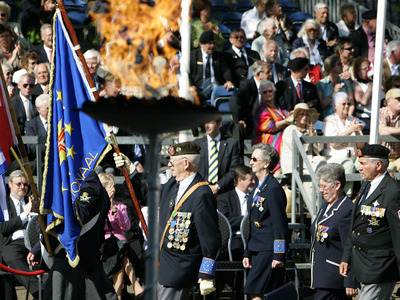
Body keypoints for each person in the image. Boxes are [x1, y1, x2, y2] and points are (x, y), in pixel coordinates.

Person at [34, 171, 118, 300]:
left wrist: (44, 208)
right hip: (72, 255)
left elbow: (82, 215)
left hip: (73, 254)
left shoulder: (89, 181)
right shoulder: (69, 177)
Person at [157, 142, 221, 299]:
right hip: (164, 265)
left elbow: (210, 238)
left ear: (185, 163)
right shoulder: (173, 185)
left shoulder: (202, 194)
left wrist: (207, 273)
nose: (169, 165)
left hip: (180, 269)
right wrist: (130, 170)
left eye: (173, 161)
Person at [340, 144, 400, 300]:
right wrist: (346, 258)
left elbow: (398, 234)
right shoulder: (367, 186)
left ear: (378, 165)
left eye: (363, 163)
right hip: (362, 265)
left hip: (379, 267)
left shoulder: (392, 192)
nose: (359, 168)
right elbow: (355, 226)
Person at [243, 143, 288, 299]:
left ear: (266, 163)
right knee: (254, 291)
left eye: (255, 159)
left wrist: (278, 254)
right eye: (251, 158)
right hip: (256, 247)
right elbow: (252, 222)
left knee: (256, 291)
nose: (251, 162)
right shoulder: (258, 187)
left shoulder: (273, 188)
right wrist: (247, 251)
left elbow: (280, 224)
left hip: (268, 249)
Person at [311, 163, 357, 299]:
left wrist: (350, 280)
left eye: (324, 186)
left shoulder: (346, 210)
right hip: (322, 277)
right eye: (320, 186)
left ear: (336, 185)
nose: (321, 190)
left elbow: (350, 247)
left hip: (334, 278)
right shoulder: (326, 205)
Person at [98, 173, 144, 300]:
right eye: (110, 187)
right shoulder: (97, 207)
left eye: (114, 186)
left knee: (121, 253)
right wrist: (105, 206)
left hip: (120, 244)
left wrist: (114, 210)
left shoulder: (120, 206)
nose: (114, 189)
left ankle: (117, 295)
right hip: (105, 244)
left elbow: (126, 226)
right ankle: (134, 286)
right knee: (121, 255)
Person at [0, 170, 40, 299]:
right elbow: (3, 228)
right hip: (12, 243)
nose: (22, 187)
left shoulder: (32, 201)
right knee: (9, 254)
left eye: (25, 185)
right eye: (19, 184)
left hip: (33, 242)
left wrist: (35, 211)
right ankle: (40, 291)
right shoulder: (3, 205)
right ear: (10, 184)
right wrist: (24, 214)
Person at [322, 91, 365, 196]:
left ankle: (365, 196)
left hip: (354, 157)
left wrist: (356, 131)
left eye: (348, 104)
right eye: (344, 104)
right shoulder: (329, 120)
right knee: (348, 165)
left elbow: (361, 145)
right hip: (335, 158)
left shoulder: (353, 120)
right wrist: (350, 130)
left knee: (367, 164)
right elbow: (333, 143)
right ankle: (347, 197)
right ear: (335, 106)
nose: (347, 106)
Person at [229, 60, 271, 157]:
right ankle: (237, 163)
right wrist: (238, 119)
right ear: (259, 74)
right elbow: (234, 99)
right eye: (267, 72)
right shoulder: (247, 85)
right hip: (249, 122)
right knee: (238, 127)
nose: (270, 74)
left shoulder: (270, 86)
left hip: (265, 122)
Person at [194, 119, 241, 195]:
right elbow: (193, 169)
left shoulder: (231, 144)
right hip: (201, 192)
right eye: (206, 122)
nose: (207, 126)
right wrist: (204, 187)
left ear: (219, 124)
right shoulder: (197, 144)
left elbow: (234, 169)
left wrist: (217, 186)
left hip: (224, 192)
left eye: (211, 123)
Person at [217, 165, 254, 260]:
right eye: (250, 180)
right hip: (236, 237)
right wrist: (247, 220)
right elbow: (225, 222)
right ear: (240, 180)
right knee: (236, 249)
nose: (253, 182)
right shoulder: (224, 199)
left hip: (254, 237)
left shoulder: (255, 198)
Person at [189, 30, 233, 103]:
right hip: (199, 90)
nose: (212, 46)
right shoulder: (193, 56)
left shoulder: (219, 56)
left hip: (217, 90)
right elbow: (187, 73)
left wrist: (228, 81)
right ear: (201, 44)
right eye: (209, 43)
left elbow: (226, 71)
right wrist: (190, 85)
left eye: (213, 43)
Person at [281, 103, 324, 177]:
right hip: (295, 165)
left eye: (307, 115)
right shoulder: (290, 130)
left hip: (309, 162)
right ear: (296, 116)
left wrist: (313, 136)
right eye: (301, 114)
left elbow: (319, 148)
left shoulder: (311, 130)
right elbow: (297, 148)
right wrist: (309, 139)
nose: (304, 117)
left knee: (322, 161)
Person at [253, 80, 289, 156]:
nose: (268, 94)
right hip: (269, 145)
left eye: (270, 91)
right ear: (261, 94)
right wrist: (287, 121)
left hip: (285, 140)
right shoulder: (261, 109)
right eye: (265, 92)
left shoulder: (280, 107)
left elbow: (289, 116)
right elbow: (271, 127)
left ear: (274, 91)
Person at [316, 54, 355, 120]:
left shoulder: (347, 83)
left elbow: (351, 103)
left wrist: (349, 115)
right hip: (326, 119)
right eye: (339, 64)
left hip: (344, 118)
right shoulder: (320, 84)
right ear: (331, 67)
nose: (342, 66)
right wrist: (333, 93)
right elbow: (321, 106)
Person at [379, 88, 400, 172]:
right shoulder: (382, 112)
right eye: (398, 99)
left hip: (398, 157)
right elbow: (383, 130)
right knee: (388, 171)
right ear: (388, 102)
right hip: (384, 157)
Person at [352, 57, 375, 130]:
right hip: (365, 117)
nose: (368, 70)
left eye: (369, 68)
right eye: (365, 69)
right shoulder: (356, 84)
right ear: (358, 72)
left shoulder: (376, 82)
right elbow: (363, 101)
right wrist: (371, 85)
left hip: (377, 116)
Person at [24, 94, 49, 162]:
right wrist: (49, 146)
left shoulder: (58, 123)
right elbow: (31, 147)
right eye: (47, 108)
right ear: (38, 109)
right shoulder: (31, 125)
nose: (50, 110)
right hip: (40, 162)